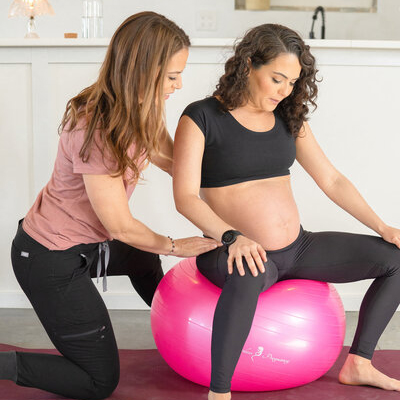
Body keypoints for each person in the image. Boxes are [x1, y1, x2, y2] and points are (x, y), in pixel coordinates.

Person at [173, 23, 400, 400]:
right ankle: (219, 393)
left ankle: (359, 362)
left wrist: (383, 226)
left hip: (298, 248)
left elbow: (331, 180)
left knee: (396, 258)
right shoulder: (201, 117)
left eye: (292, 82)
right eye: (277, 79)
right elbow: (185, 197)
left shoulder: (289, 117)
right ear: (248, 65)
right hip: (234, 250)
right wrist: (232, 238)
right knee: (247, 272)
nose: (285, 91)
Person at [0, 11, 218, 400]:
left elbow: (172, 161)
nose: (178, 85)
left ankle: (182, 333)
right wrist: (174, 245)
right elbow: (120, 225)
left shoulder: (142, 105)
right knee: (98, 382)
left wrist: (234, 183)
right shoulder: (97, 126)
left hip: (84, 245)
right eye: (171, 76)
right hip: (49, 259)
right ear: (141, 70)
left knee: (140, 258)